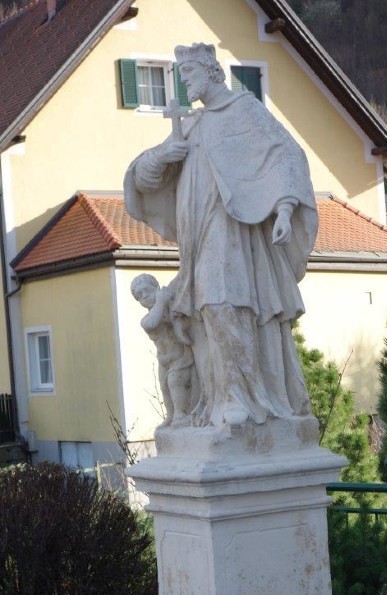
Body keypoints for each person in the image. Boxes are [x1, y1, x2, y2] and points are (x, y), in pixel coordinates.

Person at [124, 42, 318, 427]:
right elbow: (140, 177)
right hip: (195, 236)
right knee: (205, 311)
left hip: (233, 231)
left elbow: (286, 154)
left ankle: (240, 397)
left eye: (189, 73)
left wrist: (284, 207)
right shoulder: (192, 124)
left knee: (224, 301)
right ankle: (218, 397)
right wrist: (163, 157)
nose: (184, 83)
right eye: (180, 75)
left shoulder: (243, 109)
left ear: (211, 71)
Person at [130, 273, 195, 428]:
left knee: (175, 381)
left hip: (180, 357)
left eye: (146, 290)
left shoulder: (172, 308)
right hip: (163, 361)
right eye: (139, 296)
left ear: (157, 288)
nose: (144, 296)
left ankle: (180, 414)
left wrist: (164, 301)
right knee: (165, 388)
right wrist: (161, 301)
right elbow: (153, 323)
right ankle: (171, 415)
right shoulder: (147, 320)